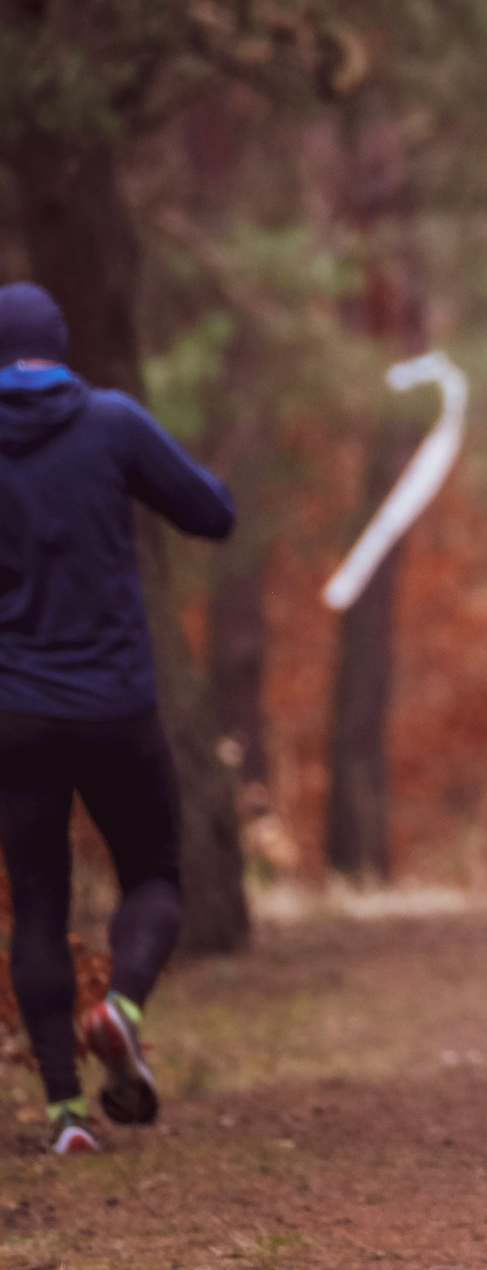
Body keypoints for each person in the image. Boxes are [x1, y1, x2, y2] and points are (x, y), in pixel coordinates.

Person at [0, 284, 236, 1155]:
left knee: (36, 900)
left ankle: (64, 1115)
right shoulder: (111, 421)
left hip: (15, 709)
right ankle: (122, 1006)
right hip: (115, 703)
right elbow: (211, 512)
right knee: (156, 876)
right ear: (60, 350)